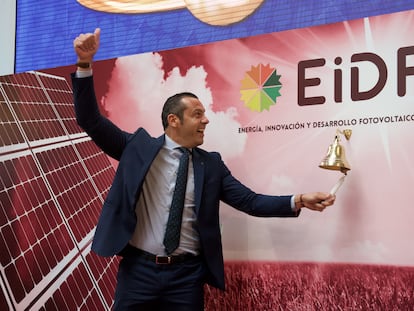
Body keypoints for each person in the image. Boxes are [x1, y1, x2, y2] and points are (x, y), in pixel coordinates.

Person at [72, 28, 336, 310]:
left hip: (186, 278)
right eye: (197, 114)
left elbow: (250, 201)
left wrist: (298, 201)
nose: (206, 121)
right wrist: (85, 63)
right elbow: (91, 120)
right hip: (139, 272)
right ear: (173, 120)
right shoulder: (137, 147)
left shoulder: (211, 165)